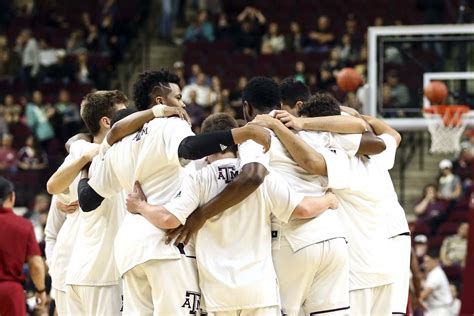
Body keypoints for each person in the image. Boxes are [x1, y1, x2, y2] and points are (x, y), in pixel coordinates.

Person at [168, 77, 378, 315]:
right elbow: (366, 131)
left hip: (293, 237)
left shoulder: (254, 134)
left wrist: (202, 214)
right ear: (280, 103)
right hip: (333, 236)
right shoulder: (307, 126)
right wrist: (307, 121)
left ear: (246, 107)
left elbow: (252, 176)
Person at [77, 70, 272, 314]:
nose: (183, 103)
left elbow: (87, 199)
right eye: (179, 98)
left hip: (129, 248)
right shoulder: (169, 123)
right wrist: (244, 133)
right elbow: (189, 148)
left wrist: (84, 168)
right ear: (161, 101)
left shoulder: (118, 144)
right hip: (166, 241)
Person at [126, 113, 339, 315]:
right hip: (259, 289)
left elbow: (167, 219)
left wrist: (140, 206)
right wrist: (327, 200)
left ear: (207, 146)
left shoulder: (199, 179)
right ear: (238, 143)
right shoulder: (263, 175)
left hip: (218, 292)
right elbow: (302, 209)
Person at [266, 93, 395, 315]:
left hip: (357, 272)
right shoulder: (380, 161)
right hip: (385, 266)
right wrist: (359, 115)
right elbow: (391, 136)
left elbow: (311, 162)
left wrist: (295, 125)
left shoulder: (339, 158)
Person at [44, 90, 129, 314]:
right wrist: (81, 153)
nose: (129, 117)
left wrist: (79, 148)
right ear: (106, 121)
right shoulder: (91, 155)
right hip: (93, 271)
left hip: (89, 268)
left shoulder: (84, 150)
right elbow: (52, 188)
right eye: (124, 113)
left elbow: (53, 186)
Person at [0, 177, 47, 316]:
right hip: (10, 292)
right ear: (11, 197)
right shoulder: (23, 225)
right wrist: (40, 290)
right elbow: (36, 265)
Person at [421, 250, 452, 315]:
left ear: (435, 261)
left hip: (440, 311)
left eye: (427, 262)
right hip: (433, 309)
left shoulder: (437, 274)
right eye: (424, 262)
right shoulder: (432, 273)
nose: (425, 265)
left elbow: (423, 295)